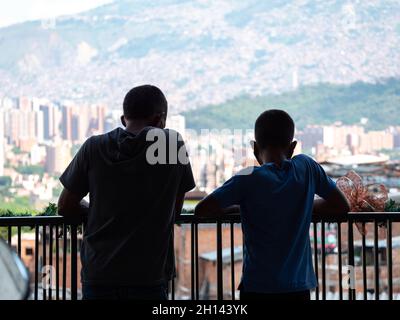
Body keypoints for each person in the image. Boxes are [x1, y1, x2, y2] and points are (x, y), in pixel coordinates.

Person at [58, 85, 195, 300]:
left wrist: (97, 213)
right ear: (160, 121)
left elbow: (65, 206)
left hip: (100, 274)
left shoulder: (93, 147)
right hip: (148, 276)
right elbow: (175, 210)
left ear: (124, 119)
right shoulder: (171, 144)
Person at [195, 109, 350, 300]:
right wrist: (301, 205)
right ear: (293, 147)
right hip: (297, 288)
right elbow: (342, 206)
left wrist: (239, 207)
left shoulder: (247, 177)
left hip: (257, 287)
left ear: (254, 148)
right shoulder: (307, 167)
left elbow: (201, 210)